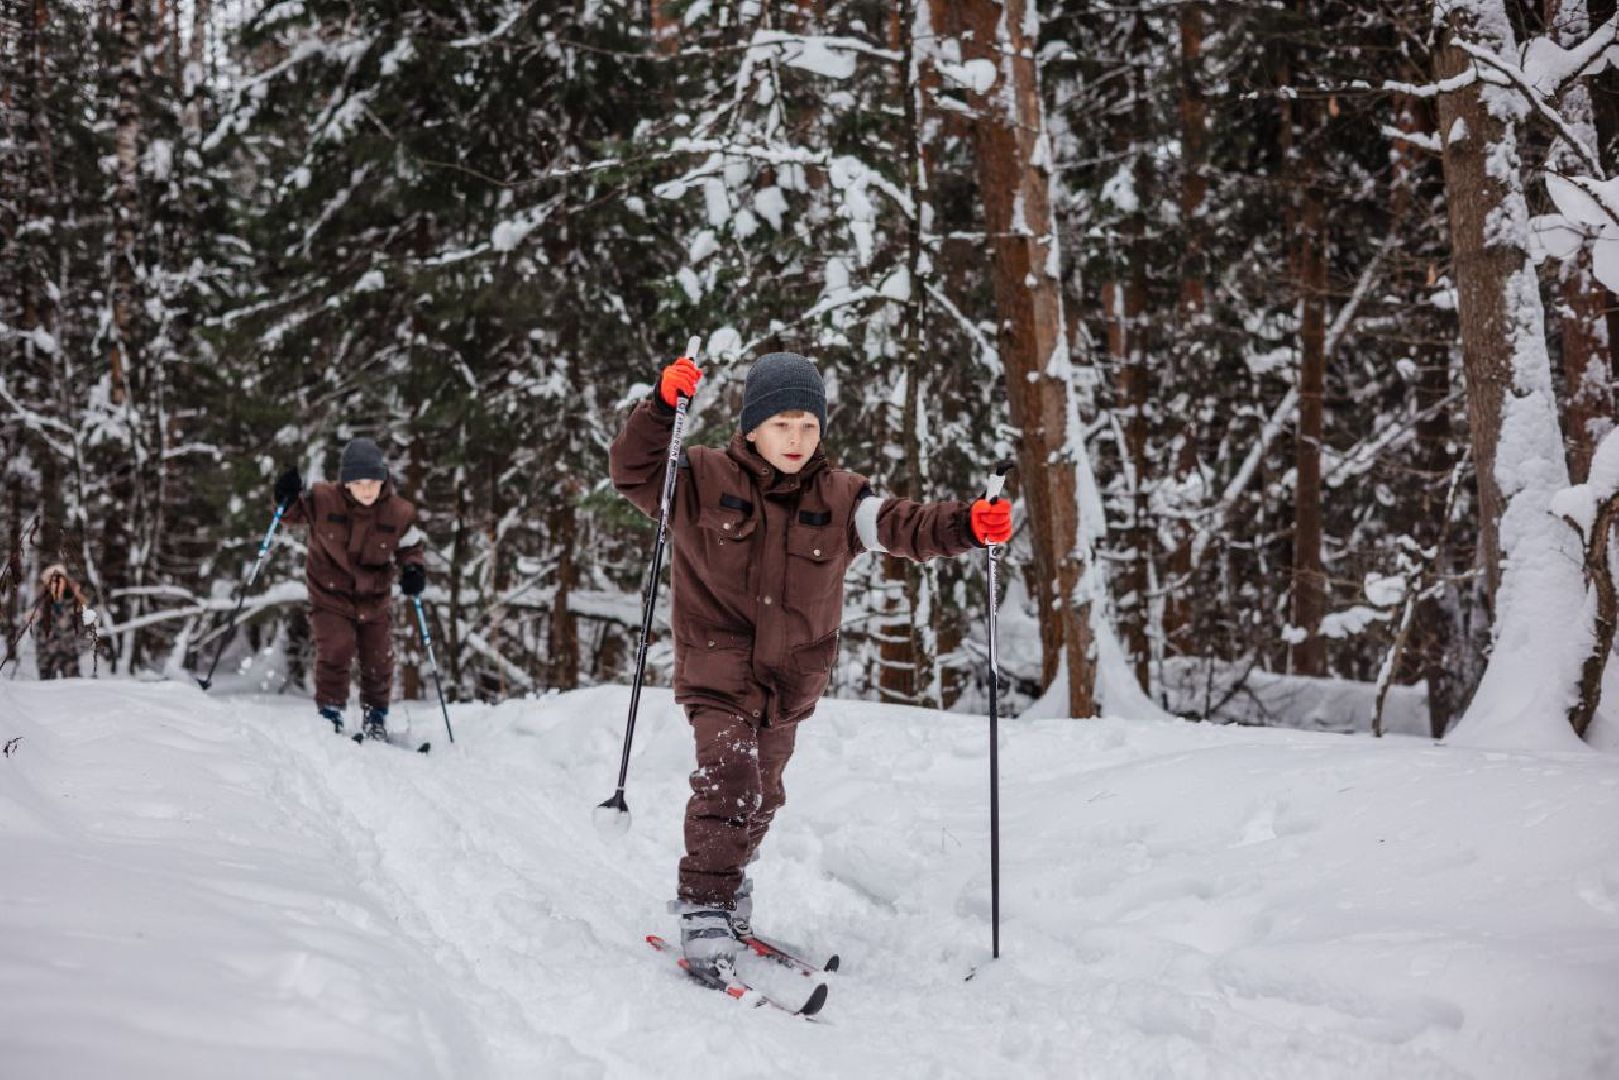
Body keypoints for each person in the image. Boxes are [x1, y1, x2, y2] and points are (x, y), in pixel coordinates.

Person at [609, 350, 1014, 975]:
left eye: (808, 425)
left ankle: (730, 884)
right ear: (750, 427)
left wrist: (968, 525)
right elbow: (632, 469)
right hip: (718, 672)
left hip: (790, 681)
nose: (796, 439)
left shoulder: (844, 497)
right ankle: (703, 907)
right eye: (781, 425)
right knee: (730, 775)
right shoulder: (698, 478)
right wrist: (662, 406)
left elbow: (906, 526)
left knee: (765, 795)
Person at [274, 438, 427, 739]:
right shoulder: (323, 499)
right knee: (336, 647)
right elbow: (290, 515)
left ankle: (376, 716)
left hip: (374, 598)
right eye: (359, 484)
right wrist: (285, 495)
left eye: (373, 482)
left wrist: (413, 569)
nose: (367, 490)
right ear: (345, 483)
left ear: (383, 480)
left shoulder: (399, 512)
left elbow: (411, 546)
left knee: (378, 656)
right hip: (329, 592)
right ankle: (330, 712)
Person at [34, 564, 91, 680]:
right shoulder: (39, 604)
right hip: (47, 655)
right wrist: (31, 618)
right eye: (52, 582)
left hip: (69, 654)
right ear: (47, 584)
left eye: (60, 581)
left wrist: (78, 646)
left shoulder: (75, 603)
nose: (56, 585)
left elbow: (86, 629)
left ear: (65, 583)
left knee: (73, 688)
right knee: (46, 690)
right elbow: (29, 627)